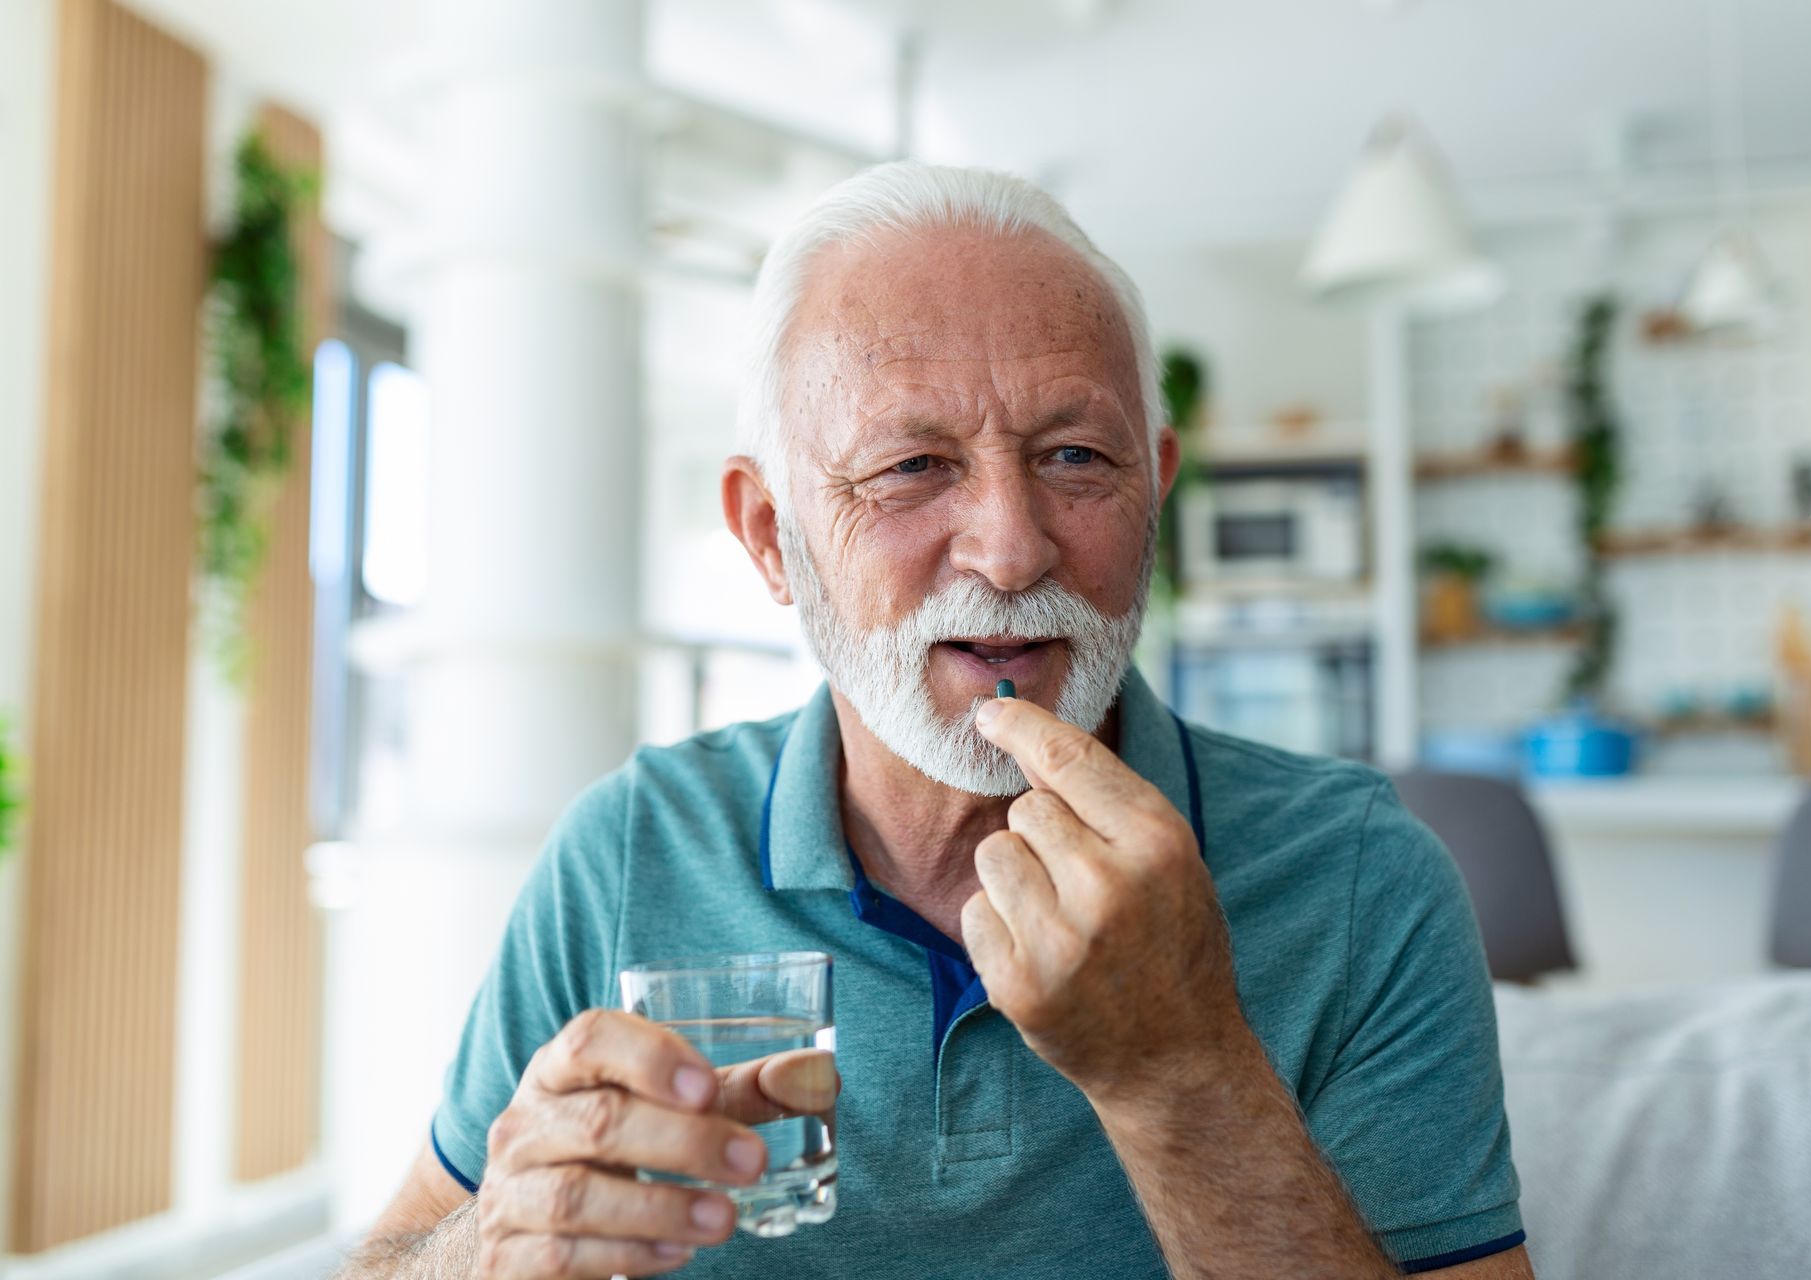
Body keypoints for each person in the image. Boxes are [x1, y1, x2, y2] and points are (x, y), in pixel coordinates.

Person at [339, 161, 1532, 1279]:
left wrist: (1180, 1073)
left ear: (1154, 488)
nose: (1012, 549)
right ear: (770, 535)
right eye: (912, 465)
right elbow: (388, 1256)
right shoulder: (629, 850)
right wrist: (490, 1241)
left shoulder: (1362, 876)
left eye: (1075, 455)